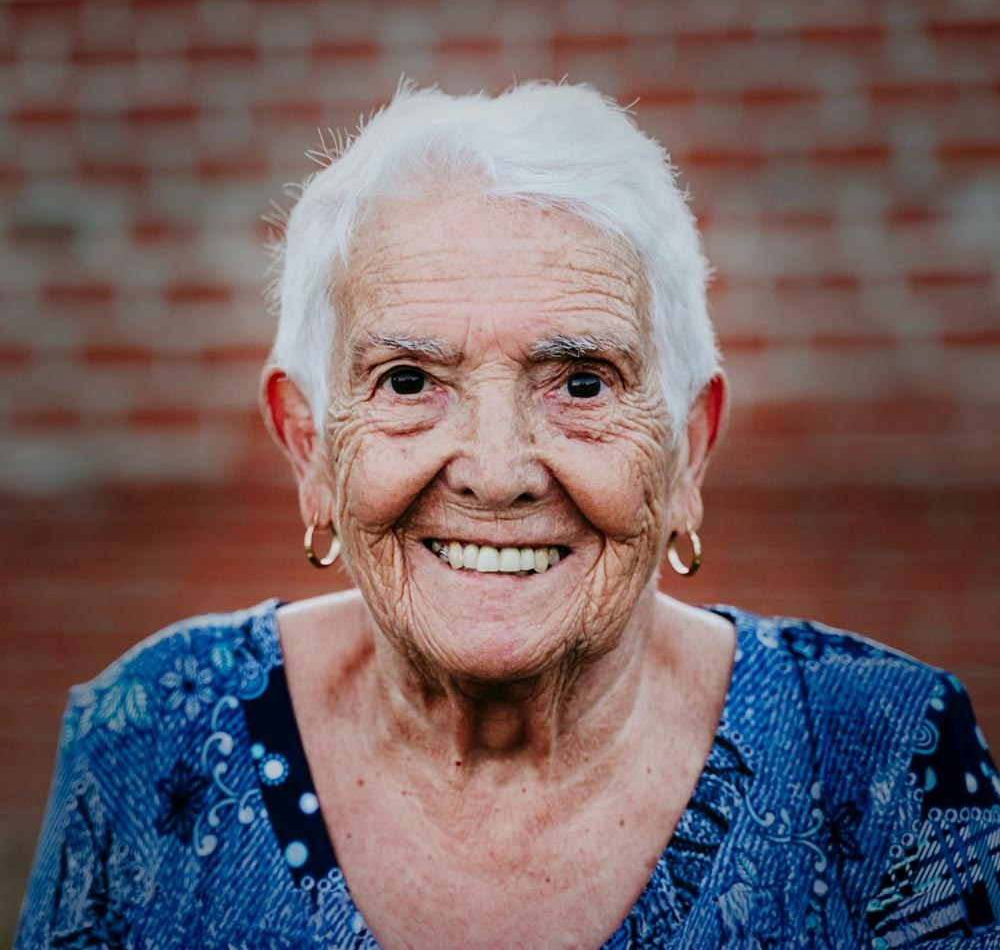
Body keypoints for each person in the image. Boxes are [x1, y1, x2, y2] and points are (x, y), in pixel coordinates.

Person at [15, 80, 1000, 949]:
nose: (496, 474)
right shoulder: (150, 736)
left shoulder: (884, 755)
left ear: (688, 450)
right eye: (409, 380)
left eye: (582, 381)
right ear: (309, 447)